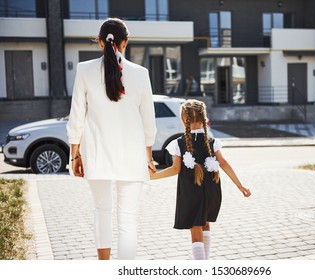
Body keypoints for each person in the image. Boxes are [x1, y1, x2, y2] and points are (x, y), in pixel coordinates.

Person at [66, 18, 157, 260]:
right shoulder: (141, 74)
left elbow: (76, 117)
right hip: (132, 156)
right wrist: (148, 157)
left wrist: (75, 154)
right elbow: (149, 123)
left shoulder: (84, 70)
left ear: (99, 42)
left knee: (101, 211)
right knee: (127, 219)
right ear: (125, 42)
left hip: (95, 154)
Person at [149, 99, 251, 260]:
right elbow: (223, 163)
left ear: (183, 120)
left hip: (191, 194)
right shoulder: (213, 142)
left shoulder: (178, 143)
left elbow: (175, 169)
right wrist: (240, 185)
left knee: (195, 231)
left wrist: (153, 177)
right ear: (204, 119)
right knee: (205, 224)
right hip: (212, 192)